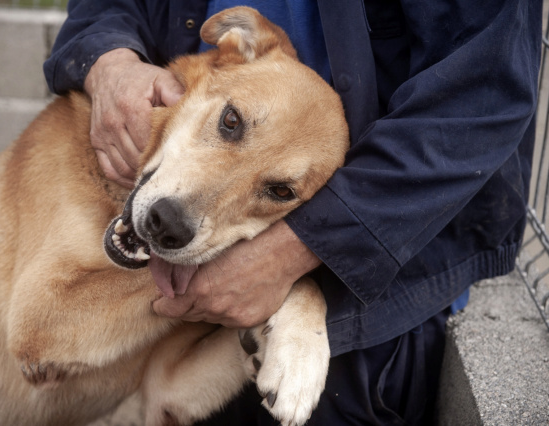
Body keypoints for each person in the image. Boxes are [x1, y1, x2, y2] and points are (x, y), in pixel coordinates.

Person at [44, 1, 542, 424]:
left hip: (371, 295)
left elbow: (481, 92)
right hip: (166, 175)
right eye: (233, 123)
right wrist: (107, 57)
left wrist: (296, 256)